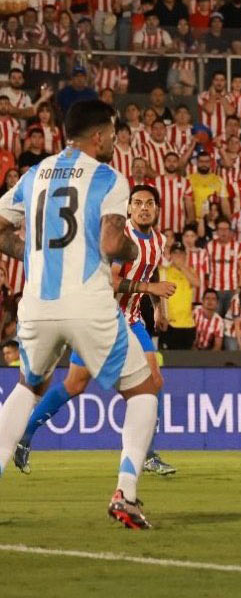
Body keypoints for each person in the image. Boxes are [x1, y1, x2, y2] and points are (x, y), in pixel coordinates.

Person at [0, 101, 159, 529]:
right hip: (87, 302)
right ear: (99, 136)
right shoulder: (108, 177)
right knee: (144, 389)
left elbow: (0, 226)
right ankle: (125, 493)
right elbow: (111, 243)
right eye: (112, 132)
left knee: (28, 387)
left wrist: (28, 256)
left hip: (35, 304)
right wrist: (131, 249)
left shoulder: (33, 175)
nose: (114, 139)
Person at [14, 184, 177, 475]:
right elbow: (111, 281)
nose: (143, 208)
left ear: (156, 209)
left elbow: (151, 271)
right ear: (128, 209)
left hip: (132, 318)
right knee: (75, 384)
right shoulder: (120, 238)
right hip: (99, 318)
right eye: (137, 203)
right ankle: (23, 435)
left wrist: (160, 309)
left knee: (155, 381)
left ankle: (149, 455)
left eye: (149, 203)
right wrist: (150, 287)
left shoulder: (158, 240)